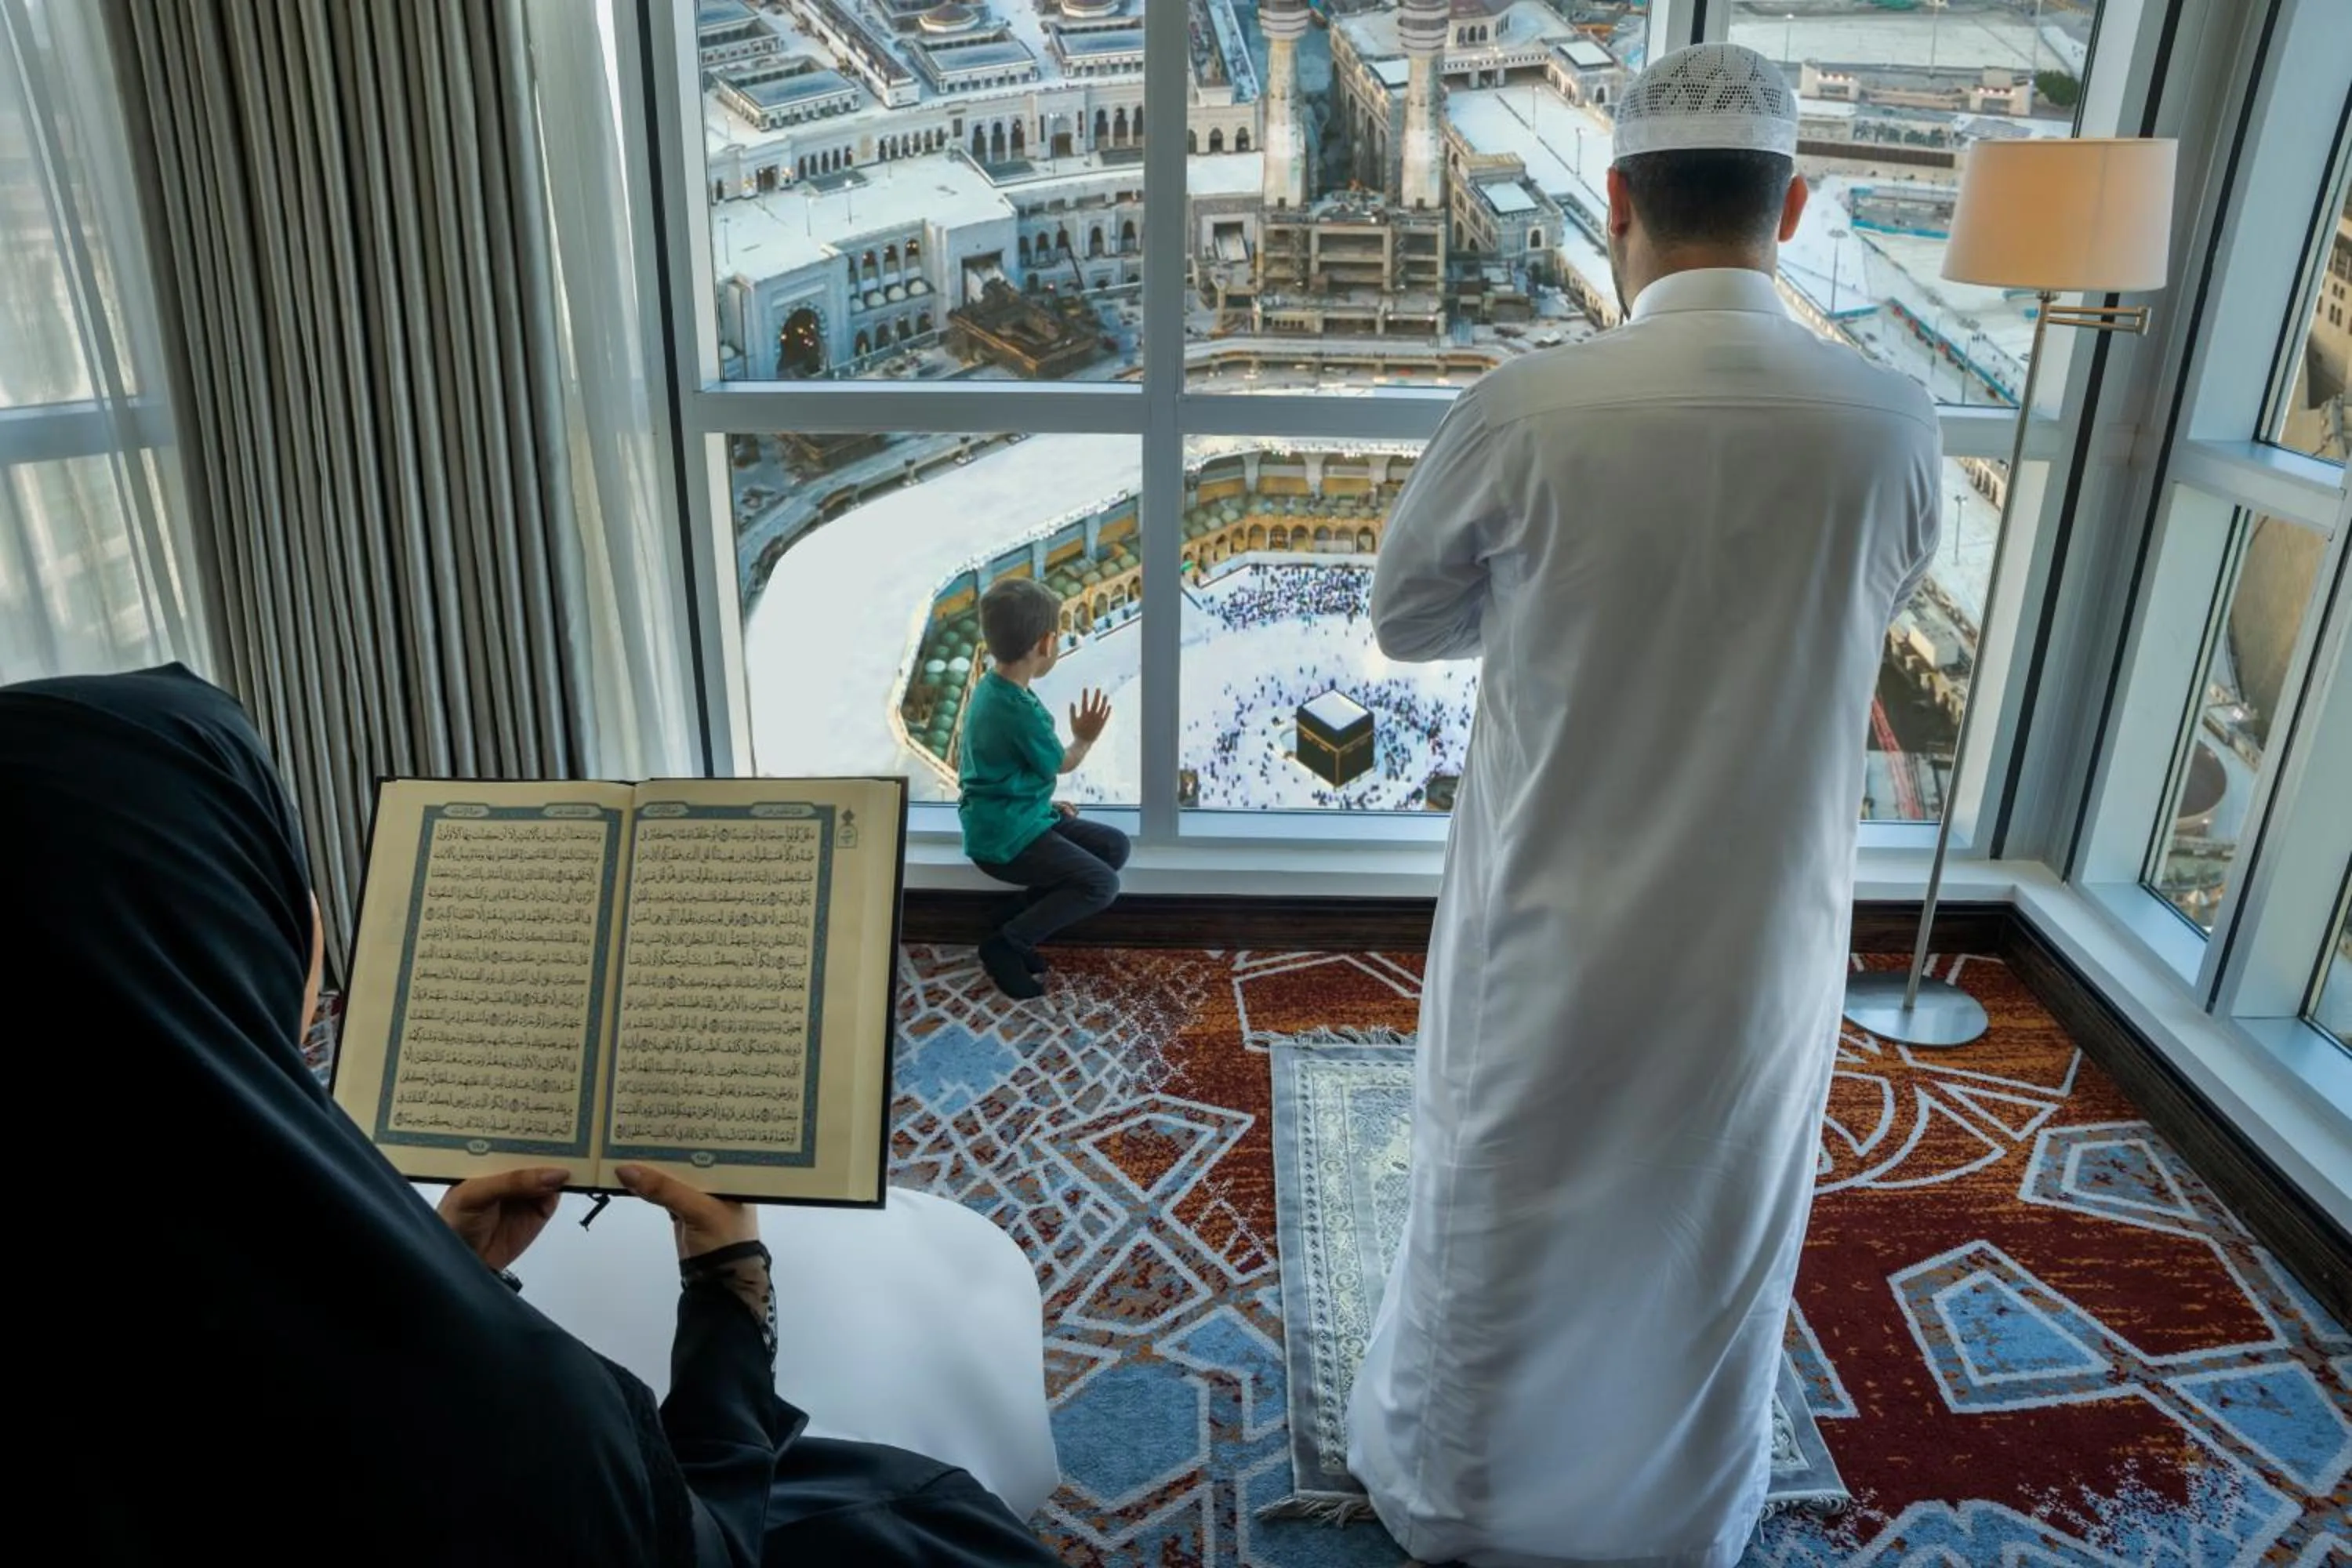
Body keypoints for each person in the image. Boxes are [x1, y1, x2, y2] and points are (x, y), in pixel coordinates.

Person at [6, 663, 1063, 1566]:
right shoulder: (508, 1412)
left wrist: (449, 1271)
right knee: (925, 1515)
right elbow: (704, 1535)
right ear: (230, 927)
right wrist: (729, 1289)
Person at [1347, 43, 1941, 1568]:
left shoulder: (1529, 409)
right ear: (1795, 204)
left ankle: (1462, 1506)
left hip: (1552, 918)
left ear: (1613, 198)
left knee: (1509, 1208)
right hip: (1764, 938)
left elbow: (1406, 618)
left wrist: (1551, 604)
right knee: (1712, 1224)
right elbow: (1875, 598)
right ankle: (1677, 1514)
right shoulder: (1890, 422)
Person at [959, 575, 1127, 998]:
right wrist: (1086, 736)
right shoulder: (1018, 709)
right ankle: (1006, 944)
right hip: (1007, 839)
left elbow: (1000, 770)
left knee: (1113, 848)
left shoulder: (990, 688)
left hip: (1016, 817)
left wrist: (1044, 800)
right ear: (1046, 644)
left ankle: (1015, 919)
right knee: (1101, 885)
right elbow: (1062, 762)